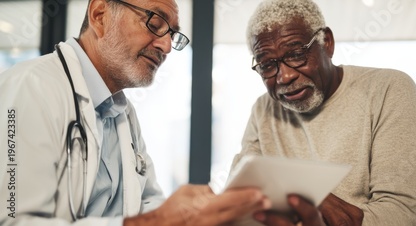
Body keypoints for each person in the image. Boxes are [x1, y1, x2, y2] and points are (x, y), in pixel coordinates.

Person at [0, 0, 271, 225]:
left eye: (172, 36)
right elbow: (13, 220)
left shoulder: (122, 111)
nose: (166, 47)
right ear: (100, 15)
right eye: (154, 24)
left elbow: (148, 202)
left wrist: (201, 214)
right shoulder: (30, 87)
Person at [230, 0, 416, 225]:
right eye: (267, 65)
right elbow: (239, 206)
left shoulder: (388, 89)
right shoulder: (263, 110)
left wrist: (311, 201)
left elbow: (401, 216)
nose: (284, 77)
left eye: (296, 53)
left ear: (327, 43)